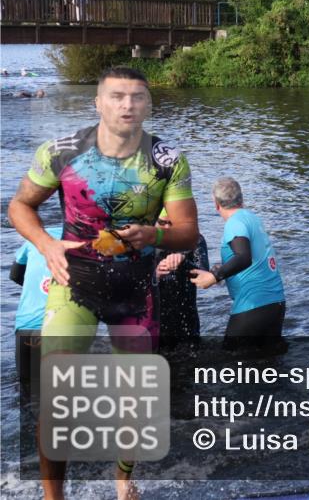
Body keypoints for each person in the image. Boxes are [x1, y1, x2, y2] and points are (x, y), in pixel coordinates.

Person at [7, 65, 199, 500]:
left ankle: (122, 477)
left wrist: (154, 235)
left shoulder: (168, 160)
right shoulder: (62, 151)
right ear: (98, 103)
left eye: (136, 96)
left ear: (149, 105)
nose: (127, 104)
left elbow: (188, 230)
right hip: (73, 286)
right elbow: (20, 206)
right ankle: (53, 498)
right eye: (116, 96)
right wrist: (45, 245)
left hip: (135, 293)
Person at [190, 177, 285, 348]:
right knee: (269, 365)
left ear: (216, 204)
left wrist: (214, 276)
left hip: (252, 306)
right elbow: (252, 257)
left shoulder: (235, 223)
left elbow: (243, 257)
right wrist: (223, 271)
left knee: (231, 366)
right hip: (275, 304)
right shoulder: (253, 219)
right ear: (242, 199)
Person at [9, 226, 62, 387]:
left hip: (27, 327)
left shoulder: (35, 238)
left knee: (26, 396)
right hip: (63, 329)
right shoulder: (88, 242)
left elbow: (15, 275)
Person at [154, 209, 207, 349]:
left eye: (172, 223)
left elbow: (204, 277)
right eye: (162, 223)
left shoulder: (195, 240)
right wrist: (155, 275)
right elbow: (132, 286)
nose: (166, 228)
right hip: (156, 323)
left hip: (187, 320)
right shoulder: (146, 245)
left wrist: (184, 262)